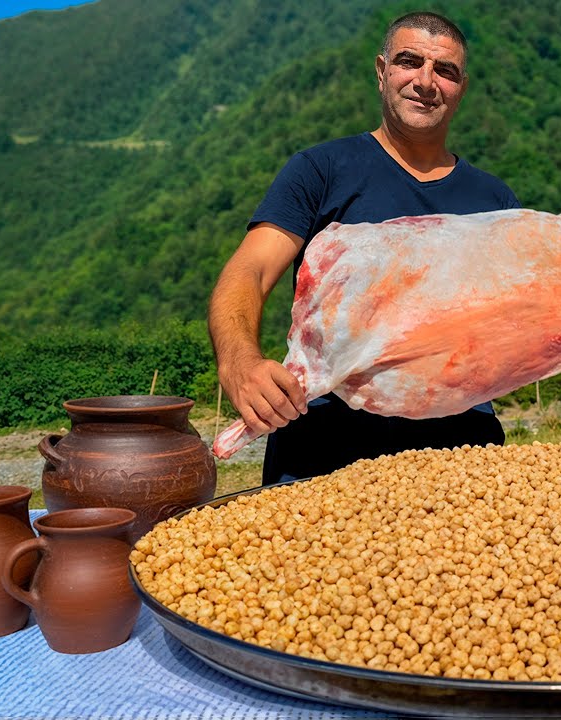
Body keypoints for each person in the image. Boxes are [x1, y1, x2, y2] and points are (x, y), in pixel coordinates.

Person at [208, 11, 519, 485]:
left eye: (445, 70)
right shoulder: (320, 170)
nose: (425, 81)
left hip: (461, 453)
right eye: (409, 61)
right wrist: (239, 363)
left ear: (461, 87)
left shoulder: (495, 201)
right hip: (322, 447)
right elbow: (250, 270)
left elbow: (522, 320)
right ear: (381, 70)